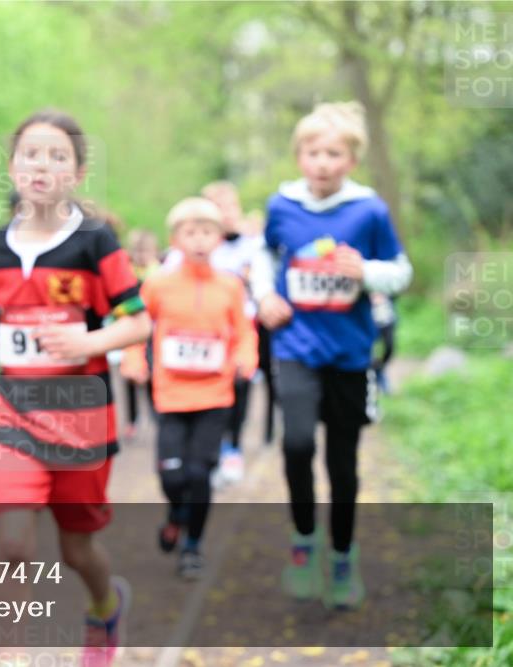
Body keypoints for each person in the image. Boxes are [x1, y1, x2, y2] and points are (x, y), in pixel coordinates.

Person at [0, 110, 151, 666]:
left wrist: (87, 344)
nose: (42, 164)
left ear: (77, 174)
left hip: (83, 416)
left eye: (58, 156)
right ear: (11, 167)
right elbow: (13, 313)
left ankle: (106, 608)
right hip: (18, 410)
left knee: (77, 548)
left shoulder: (96, 242)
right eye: (31, 153)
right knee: (12, 544)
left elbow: (138, 321)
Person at [250, 101, 412, 610]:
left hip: (349, 354)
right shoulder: (282, 205)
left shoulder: (369, 210)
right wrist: (263, 296)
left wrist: (364, 271)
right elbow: (265, 256)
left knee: (343, 466)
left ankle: (343, 555)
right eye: (313, 152)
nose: (322, 162)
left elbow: (401, 272)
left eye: (333, 153)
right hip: (296, 347)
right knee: (297, 443)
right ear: (299, 156)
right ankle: (304, 542)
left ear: (351, 160)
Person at [122, 198, 256, 578]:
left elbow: (245, 333)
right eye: (190, 232)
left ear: (219, 237)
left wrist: (247, 358)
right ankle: (176, 512)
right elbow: (135, 326)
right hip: (170, 395)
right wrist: (134, 359)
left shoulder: (230, 286)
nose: (199, 240)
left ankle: (192, 546)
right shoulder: (158, 284)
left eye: (207, 232)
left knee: (200, 473)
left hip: (215, 395)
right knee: (172, 476)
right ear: (175, 238)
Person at [200, 181, 264, 485]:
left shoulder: (253, 245)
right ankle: (210, 449)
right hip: (205, 332)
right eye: (218, 207)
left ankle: (234, 447)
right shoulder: (197, 246)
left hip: (243, 329)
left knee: (240, 387)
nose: (226, 214)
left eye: (230, 206)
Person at [119, 229, 159, 439]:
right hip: (131, 330)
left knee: (153, 374)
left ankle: (156, 417)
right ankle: (131, 421)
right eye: (138, 252)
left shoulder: (159, 273)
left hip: (153, 331)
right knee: (129, 376)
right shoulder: (128, 273)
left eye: (146, 251)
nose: (142, 256)